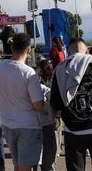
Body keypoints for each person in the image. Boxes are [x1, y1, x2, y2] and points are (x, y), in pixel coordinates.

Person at [0, 33, 44, 171]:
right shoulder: (29, 72)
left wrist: (7, 98)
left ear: (11, 48)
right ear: (28, 50)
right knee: (25, 166)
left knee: (17, 164)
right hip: (28, 125)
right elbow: (38, 105)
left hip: (7, 123)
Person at [50, 37, 92, 171]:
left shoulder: (59, 68)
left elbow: (55, 103)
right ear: (86, 51)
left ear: (69, 52)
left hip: (72, 128)